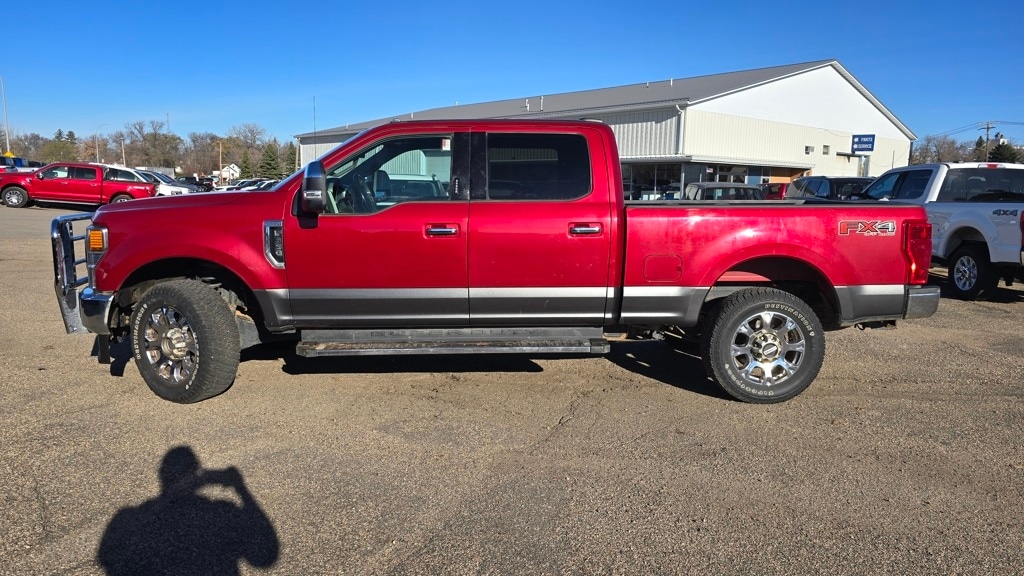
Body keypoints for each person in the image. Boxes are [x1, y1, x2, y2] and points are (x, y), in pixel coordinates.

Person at [97, 446, 279, 575]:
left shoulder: (132, 518)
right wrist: (241, 489)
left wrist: (170, 496)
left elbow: (110, 559)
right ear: (196, 475)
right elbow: (265, 556)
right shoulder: (221, 514)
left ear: (162, 477)